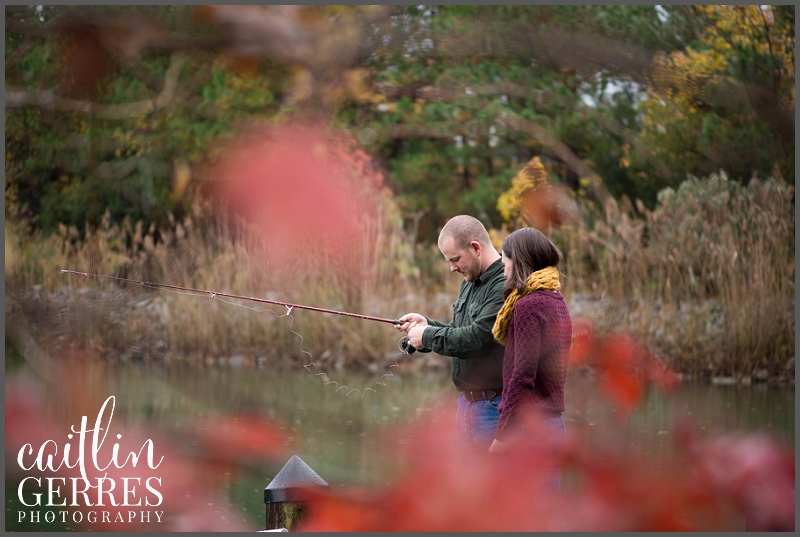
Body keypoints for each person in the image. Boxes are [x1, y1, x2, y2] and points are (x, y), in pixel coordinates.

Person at [396, 215, 506, 454]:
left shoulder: (503, 284)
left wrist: (427, 336)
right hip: (466, 405)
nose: (452, 268)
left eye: (455, 259)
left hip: (493, 410)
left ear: (476, 248)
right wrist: (426, 325)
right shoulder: (469, 280)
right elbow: (458, 332)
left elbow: (477, 339)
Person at [487, 227, 571, 491]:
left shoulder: (528, 305)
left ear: (519, 260)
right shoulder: (556, 299)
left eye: (505, 262)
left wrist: (501, 437)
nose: (503, 270)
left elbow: (522, 378)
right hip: (553, 424)